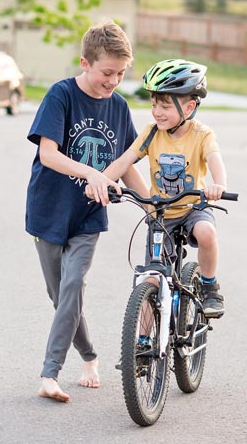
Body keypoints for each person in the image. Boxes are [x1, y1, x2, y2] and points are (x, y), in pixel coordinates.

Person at [26, 21, 149, 403]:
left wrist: (150, 203)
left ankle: (50, 374)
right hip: (49, 209)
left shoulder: (119, 106)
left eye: (121, 73)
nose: (114, 81)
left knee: (73, 285)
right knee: (61, 295)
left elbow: (127, 161)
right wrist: (92, 172)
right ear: (85, 63)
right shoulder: (60, 95)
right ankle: (90, 356)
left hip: (89, 215)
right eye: (107, 73)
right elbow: (49, 154)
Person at [92, 58, 229, 319]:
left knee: (206, 232)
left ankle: (210, 287)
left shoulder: (202, 135)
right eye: (155, 104)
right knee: (151, 279)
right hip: (162, 214)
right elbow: (124, 161)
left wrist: (219, 185)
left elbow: (214, 160)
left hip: (192, 207)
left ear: (189, 107)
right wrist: (102, 181)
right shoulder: (151, 133)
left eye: (165, 106)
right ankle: (142, 345)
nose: (157, 111)